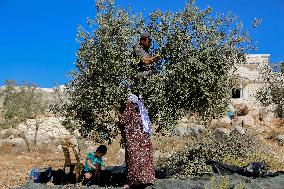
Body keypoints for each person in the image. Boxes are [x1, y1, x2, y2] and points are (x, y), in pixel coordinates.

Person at [119, 94, 155, 189]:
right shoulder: (141, 109)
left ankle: (133, 181)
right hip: (144, 140)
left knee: (133, 160)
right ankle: (147, 179)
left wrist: (118, 117)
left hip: (134, 140)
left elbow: (123, 120)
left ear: (130, 101)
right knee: (145, 159)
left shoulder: (130, 107)